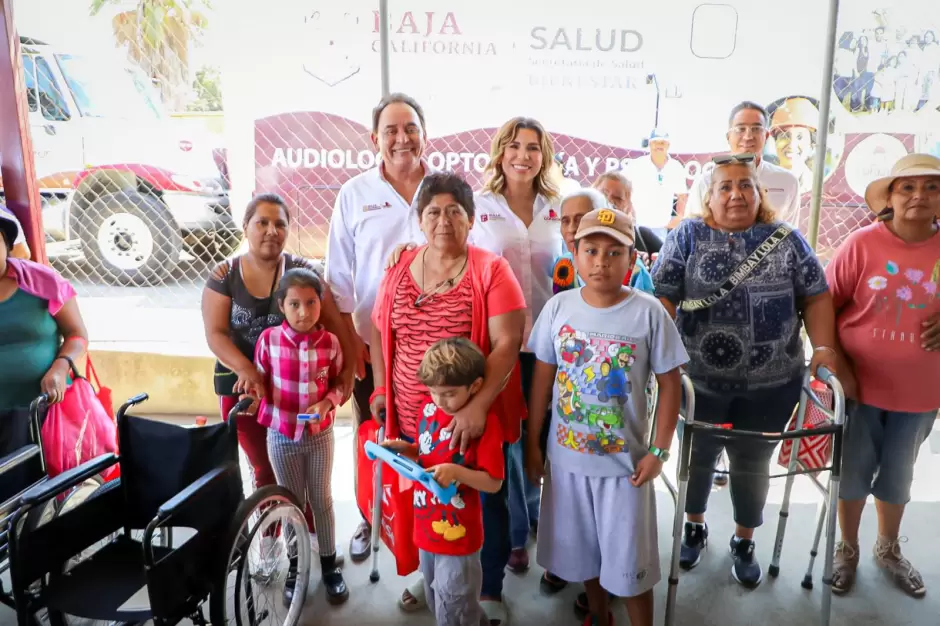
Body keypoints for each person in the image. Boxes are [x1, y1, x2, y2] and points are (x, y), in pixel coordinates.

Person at [650, 154, 840, 588]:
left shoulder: (786, 238)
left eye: (745, 185)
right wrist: (657, 354)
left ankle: (744, 538)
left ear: (759, 194)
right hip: (697, 384)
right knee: (697, 458)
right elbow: (662, 297)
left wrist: (825, 347)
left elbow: (816, 295)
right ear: (709, 196)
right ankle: (694, 525)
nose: (736, 193)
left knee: (753, 462)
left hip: (772, 383)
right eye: (725, 186)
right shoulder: (687, 236)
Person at [370, 171, 526, 619]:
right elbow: (382, 331)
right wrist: (382, 388)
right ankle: (435, 569)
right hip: (415, 415)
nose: (443, 221)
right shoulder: (399, 266)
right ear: (419, 219)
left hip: (468, 415)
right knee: (428, 490)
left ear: (471, 219)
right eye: (433, 211)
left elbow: (507, 343)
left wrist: (476, 407)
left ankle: (487, 584)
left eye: (454, 211)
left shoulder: (491, 269)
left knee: (480, 495)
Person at [526, 207, 689, 626]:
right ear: (574, 255)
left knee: (632, 568)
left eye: (614, 252)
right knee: (586, 558)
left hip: (626, 470)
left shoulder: (649, 312)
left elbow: (671, 385)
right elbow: (542, 380)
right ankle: (598, 615)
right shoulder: (558, 309)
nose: (601, 261)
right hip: (566, 466)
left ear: (632, 261)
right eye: (591, 250)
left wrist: (659, 451)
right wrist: (533, 444)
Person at [202, 192, 354, 561]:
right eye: (262, 222)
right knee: (264, 467)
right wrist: (248, 370)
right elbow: (216, 334)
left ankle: (315, 536)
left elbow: (336, 327)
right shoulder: (225, 274)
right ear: (246, 227)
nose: (271, 231)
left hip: (299, 397)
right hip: (246, 391)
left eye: (280, 224)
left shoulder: (303, 272)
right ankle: (271, 532)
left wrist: (347, 376)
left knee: (311, 476)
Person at [325, 92, 438, 563]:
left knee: (434, 431)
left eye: (409, 127)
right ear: (375, 140)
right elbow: (338, 279)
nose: (401, 138)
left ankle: (431, 516)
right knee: (373, 429)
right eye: (390, 130)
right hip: (374, 346)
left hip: (439, 345)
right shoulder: (355, 194)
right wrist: (353, 343)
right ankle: (372, 515)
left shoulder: (445, 189)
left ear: (424, 134)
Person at [825, 153, 940, 598]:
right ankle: (847, 549)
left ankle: (888, 549)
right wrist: (840, 370)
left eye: (931, 187)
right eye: (907, 186)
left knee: (898, 476)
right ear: (890, 197)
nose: (919, 195)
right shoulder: (861, 245)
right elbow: (824, 310)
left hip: (920, 393)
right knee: (852, 473)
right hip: (860, 390)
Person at [467, 117, 563, 603]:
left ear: (544, 156)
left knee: (541, 436)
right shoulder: (480, 207)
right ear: (500, 153)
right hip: (498, 344)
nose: (523, 156)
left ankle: (545, 526)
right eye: (514, 147)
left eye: (533, 148)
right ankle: (515, 534)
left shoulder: (559, 208)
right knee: (505, 440)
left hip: (549, 345)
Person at [382, 337, 505, 626]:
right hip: (426, 530)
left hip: (459, 539)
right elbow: (428, 451)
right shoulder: (429, 408)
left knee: (455, 604)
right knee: (440, 598)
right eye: (434, 392)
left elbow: (494, 483)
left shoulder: (485, 424)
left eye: (449, 393)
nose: (439, 400)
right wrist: (405, 449)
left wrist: (457, 472)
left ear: (475, 387)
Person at [251, 268, 348, 604]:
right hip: (281, 437)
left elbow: (338, 385)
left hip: (320, 435)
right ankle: (295, 567)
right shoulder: (269, 341)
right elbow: (259, 385)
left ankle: (329, 565)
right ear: (281, 305)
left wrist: (328, 401)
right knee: (293, 503)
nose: (303, 312)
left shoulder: (331, 344)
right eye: (294, 304)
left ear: (320, 304)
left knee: (321, 499)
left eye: (311, 302)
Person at [0, 210, 88, 498]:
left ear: (7, 244)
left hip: (39, 413)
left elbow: (77, 335)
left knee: (36, 500)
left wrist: (61, 367)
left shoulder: (41, 282)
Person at [685, 102, 800, 227]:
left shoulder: (787, 182)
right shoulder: (706, 181)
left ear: (766, 136)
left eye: (756, 129)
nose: (748, 136)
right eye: (740, 129)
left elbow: (788, 235)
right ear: (728, 137)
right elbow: (690, 233)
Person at [552, 188, 655, 297]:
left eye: (581, 219)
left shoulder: (633, 270)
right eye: (565, 221)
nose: (571, 228)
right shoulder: (563, 264)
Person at [623, 129, 689, 241]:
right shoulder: (637, 165)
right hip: (637, 225)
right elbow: (623, 187)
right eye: (655, 142)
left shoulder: (675, 167)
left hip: (662, 228)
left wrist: (679, 217)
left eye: (662, 143)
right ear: (649, 144)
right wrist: (628, 212)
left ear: (668, 145)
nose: (659, 146)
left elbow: (682, 195)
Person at [592, 172, 663, 257]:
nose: (609, 200)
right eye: (603, 193)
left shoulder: (642, 236)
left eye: (618, 198)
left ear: (628, 207)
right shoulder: (575, 229)